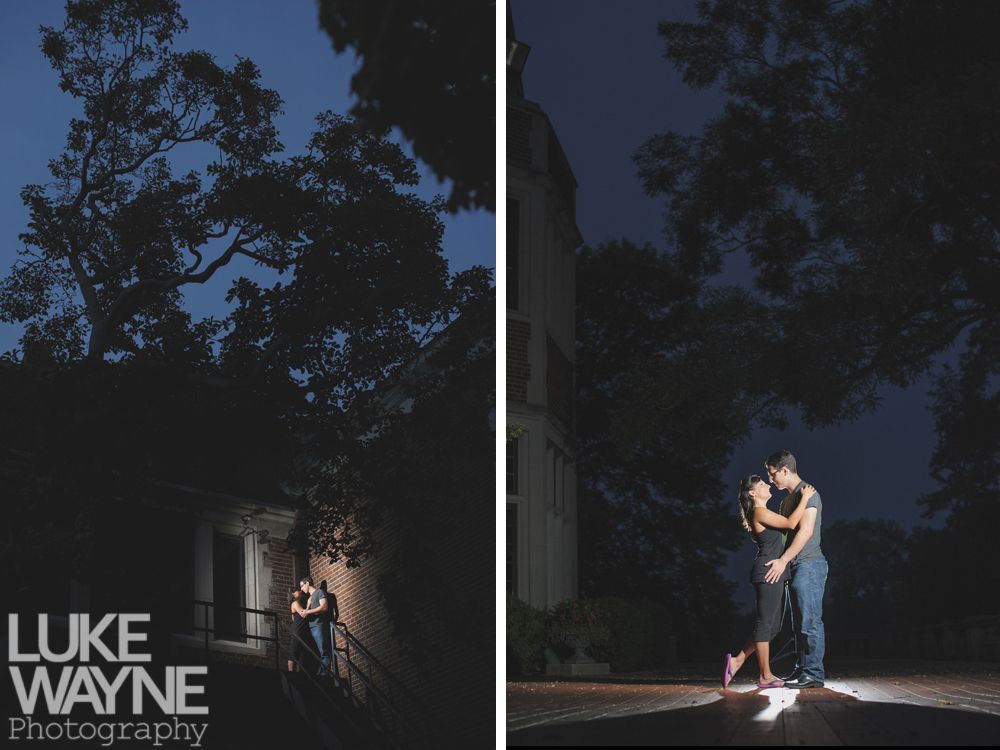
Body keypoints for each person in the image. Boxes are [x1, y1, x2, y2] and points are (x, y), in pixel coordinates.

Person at [723, 476, 815, 689]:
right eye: (763, 484)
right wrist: (806, 498)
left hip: (775, 571)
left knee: (773, 628)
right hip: (768, 571)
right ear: (753, 493)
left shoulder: (764, 512)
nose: (768, 485)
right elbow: (791, 523)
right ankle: (765, 675)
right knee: (765, 625)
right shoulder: (759, 512)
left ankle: (737, 661)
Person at [762, 449, 827, 689]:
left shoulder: (809, 493)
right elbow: (786, 533)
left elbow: (806, 531)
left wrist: (783, 561)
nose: (771, 479)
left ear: (784, 470)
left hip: (810, 564)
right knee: (798, 622)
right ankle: (803, 669)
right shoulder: (786, 501)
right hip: (795, 566)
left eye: (772, 474)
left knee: (810, 620)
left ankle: (814, 673)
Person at [299, 576, 334, 677]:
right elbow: (306, 612)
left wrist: (308, 611)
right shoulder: (310, 598)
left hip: (319, 625)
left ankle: (324, 673)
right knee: (317, 652)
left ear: (307, 583)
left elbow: (324, 607)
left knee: (324, 651)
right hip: (311, 627)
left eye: (302, 586)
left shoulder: (320, 592)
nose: (301, 588)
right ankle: (321, 672)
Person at [287, 588, 318, 674]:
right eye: (297, 591)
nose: (300, 591)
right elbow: (303, 614)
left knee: (301, 652)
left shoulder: (297, 603)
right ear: (293, 594)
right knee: (294, 651)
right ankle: (291, 673)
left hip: (300, 630)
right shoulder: (295, 603)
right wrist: (308, 604)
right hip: (297, 631)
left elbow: (294, 618)